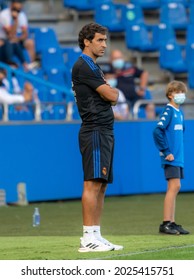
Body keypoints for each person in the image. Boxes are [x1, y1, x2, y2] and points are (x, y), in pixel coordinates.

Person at [72, 22, 123, 252]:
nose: (104, 44)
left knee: (101, 185)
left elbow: (112, 95)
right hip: (94, 129)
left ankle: (96, 234)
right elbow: (112, 95)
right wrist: (112, 92)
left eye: (105, 40)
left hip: (104, 130)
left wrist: (111, 93)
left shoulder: (93, 65)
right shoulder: (84, 66)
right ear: (87, 41)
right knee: (92, 183)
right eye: (100, 40)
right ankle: (86, 238)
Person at [153, 80, 190, 235]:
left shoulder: (179, 113)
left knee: (175, 187)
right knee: (174, 186)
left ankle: (172, 222)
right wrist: (166, 150)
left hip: (178, 157)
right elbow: (157, 131)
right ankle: (166, 223)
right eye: (177, 92)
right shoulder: (168, 111)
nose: (180, 95)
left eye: (182, 92)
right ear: (170, 95)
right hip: (171, 157)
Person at [108, 49, 156, 119]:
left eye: (119, 58)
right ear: (110, 60)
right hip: (120, 99)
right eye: (115, 58)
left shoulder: (129, 67)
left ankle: (151, 127)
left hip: (134, 96)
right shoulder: (107, 69)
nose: (118, 60)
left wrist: (142, 88)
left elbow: (144, 73)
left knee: (150, 106)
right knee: (124, 109)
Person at [0, 0, 37, 69]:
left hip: (16, 39)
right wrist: (16, 20)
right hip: (4, 40)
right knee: (11, 42)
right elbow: (10, 34)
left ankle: (31, 66)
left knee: (30, 43)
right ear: (11, 6)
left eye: (18, 9)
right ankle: (13, 63)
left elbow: (25, 34)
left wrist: (18, 38)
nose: (16, 11)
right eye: (14, 9)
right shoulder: (3, 15)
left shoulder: (22, 15)